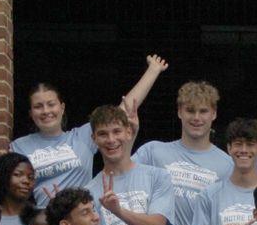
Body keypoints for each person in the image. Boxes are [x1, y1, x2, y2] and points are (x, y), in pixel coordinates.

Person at [11, 56, 168, 206]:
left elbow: (125, 109)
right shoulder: (18, 147)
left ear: (62, 107)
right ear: (31, 113)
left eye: (51, 104)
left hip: (81, 221)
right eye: (38, 106)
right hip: (43, 224)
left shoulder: (83, 137)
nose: (46, 111)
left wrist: (153, 70)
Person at [134, 80, 233, 225]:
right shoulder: (152, 152)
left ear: (214, 114)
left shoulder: (228, 165)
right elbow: (120, 172)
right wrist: (130, 133)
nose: (196, 118)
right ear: (179, 112)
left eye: (203, 111)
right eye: (190, 110)